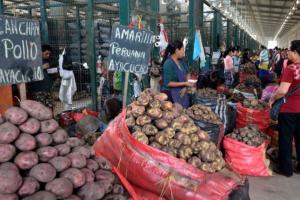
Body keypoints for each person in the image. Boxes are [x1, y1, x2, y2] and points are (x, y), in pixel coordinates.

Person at [269, 40, 300, 177]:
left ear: (295, 52)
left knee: (286, 139)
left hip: (289, 110)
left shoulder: (291, 69)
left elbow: (282, 91)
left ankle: (286, 169)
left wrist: (272, 98)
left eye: (289, 50)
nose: (287, 52)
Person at [161, 40, 192, 108]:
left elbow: (188, 73)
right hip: (170, 94)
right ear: (177, 50)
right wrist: (185, 84)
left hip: (183, 92)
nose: (184, 52)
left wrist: (185, 87)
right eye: (182, 50)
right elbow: (168, 83)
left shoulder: (182, 61)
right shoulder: (168, 63)